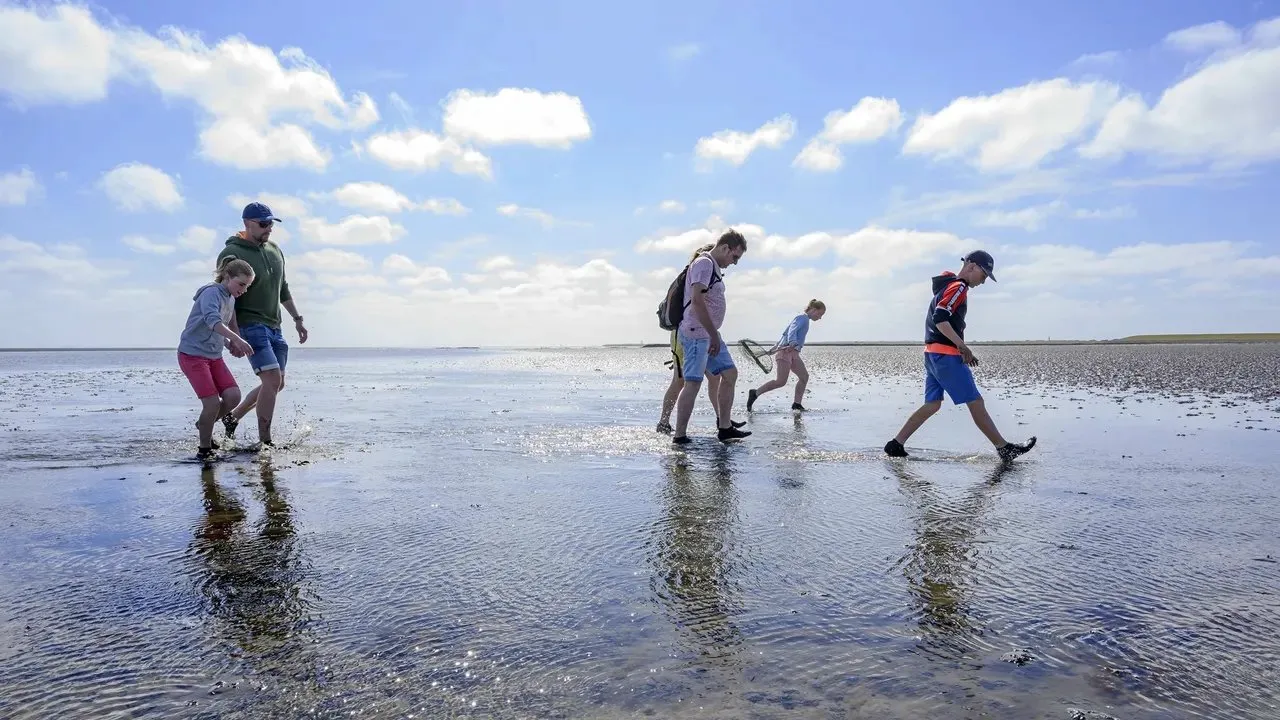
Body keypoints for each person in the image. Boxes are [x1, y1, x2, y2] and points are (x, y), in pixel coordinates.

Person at [884, 251, 1036, 463]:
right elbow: (940, 318)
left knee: (933, 404)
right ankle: (1004, 449)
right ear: (971, 266)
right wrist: (963, 347)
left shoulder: (948, 285)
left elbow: (940, 318)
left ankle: (896, 444)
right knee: (976, 402)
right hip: (946, 356)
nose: (983, 282)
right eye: (984, 276)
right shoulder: (959, 287)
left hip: (932, 354)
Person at [217, 202, 309, 448]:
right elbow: (224, 295)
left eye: (271, 223)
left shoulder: (275, 250)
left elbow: (283, 288)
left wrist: (297, 319)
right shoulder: (232, 253)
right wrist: (235, 336)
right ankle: (265, 444)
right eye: (263, 224)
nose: (269, 228)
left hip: (275, 326)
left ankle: (232, 418)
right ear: (247, 224)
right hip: (250, 325)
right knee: (270, 380)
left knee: (278, 382)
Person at [672, 230, 752, 444]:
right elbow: (697, 301)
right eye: (734, 257)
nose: (734, 263)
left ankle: (725, 428)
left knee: (730, 374)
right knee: (693, 383)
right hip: (697, 334)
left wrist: (713, 335)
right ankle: (679, 436)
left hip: (708, 334)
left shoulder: (712, 266)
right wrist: (712, 334)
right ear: (725, 247)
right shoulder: (704, 264)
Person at [177, 258, 256, 461]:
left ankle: (205, 424)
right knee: (211, 404)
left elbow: (225, 326)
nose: (244, 290)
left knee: (233, 397)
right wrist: (238, 340)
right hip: (192, 355)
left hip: (213, 356)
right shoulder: (211, 293)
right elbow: (213, 322)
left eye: (247, 286)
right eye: (241, 284)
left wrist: (230, 344)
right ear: (227, 277)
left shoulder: (231, 298)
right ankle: (204, 449)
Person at [746, 299, 826, 413]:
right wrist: (792, 342)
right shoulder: (802, 318)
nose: (820, 317)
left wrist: (774, 348)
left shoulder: (805, 320)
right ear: (813, 310)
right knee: (781, 381)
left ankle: (796, 404)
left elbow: (785, 333)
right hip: (785, 353)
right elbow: (791, 331)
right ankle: (755, 393)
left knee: (804, 377)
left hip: (794, 353)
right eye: (819, 314)